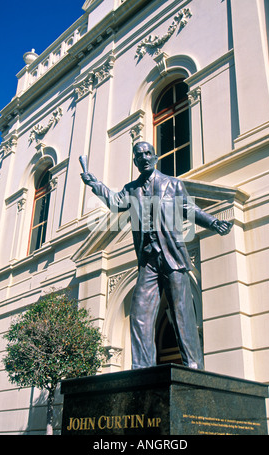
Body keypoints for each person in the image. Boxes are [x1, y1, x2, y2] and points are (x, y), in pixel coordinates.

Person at [81, 142, 232, 370]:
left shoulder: (172, 184)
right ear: (135, 161)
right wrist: (93, 182)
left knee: (182, 314)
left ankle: (193, 367)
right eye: (139, 155)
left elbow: (190, 211)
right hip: (148, 261)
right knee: (140, 312)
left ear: (155, 157)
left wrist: (213, 222)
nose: (144, 157)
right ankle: (142, 370)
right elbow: (114, 201)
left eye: (147, 153)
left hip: (172, 257)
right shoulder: (131, 189)